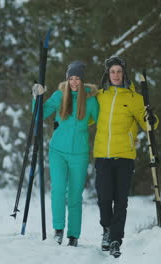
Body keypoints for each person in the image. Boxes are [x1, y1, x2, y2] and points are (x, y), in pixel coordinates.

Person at [93, 56, 158, 258]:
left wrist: (151, 118)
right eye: (112, 71)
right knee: (104, 199)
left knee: (120, 201)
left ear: (124, 74)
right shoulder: (99, 97)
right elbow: (84, 117)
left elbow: (149, 125)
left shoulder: (135, 99)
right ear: (107, 74)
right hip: (102, 155)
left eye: (119, 71)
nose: (116, 75)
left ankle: (115, 239)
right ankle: (106, 230)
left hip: (125, 157)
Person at [32, 61, 99, 247]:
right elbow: (39, 114)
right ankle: (58, 230)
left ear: (83, 80)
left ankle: (73, 235)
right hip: (58, 152)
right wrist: (36, 97)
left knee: (75, 196)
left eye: (77, 78)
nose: (74, 82)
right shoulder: (60, 95)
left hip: (80, 154)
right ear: (67, 79)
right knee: (59, 190)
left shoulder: (91, 100)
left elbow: (100, 121)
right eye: (71, 78)